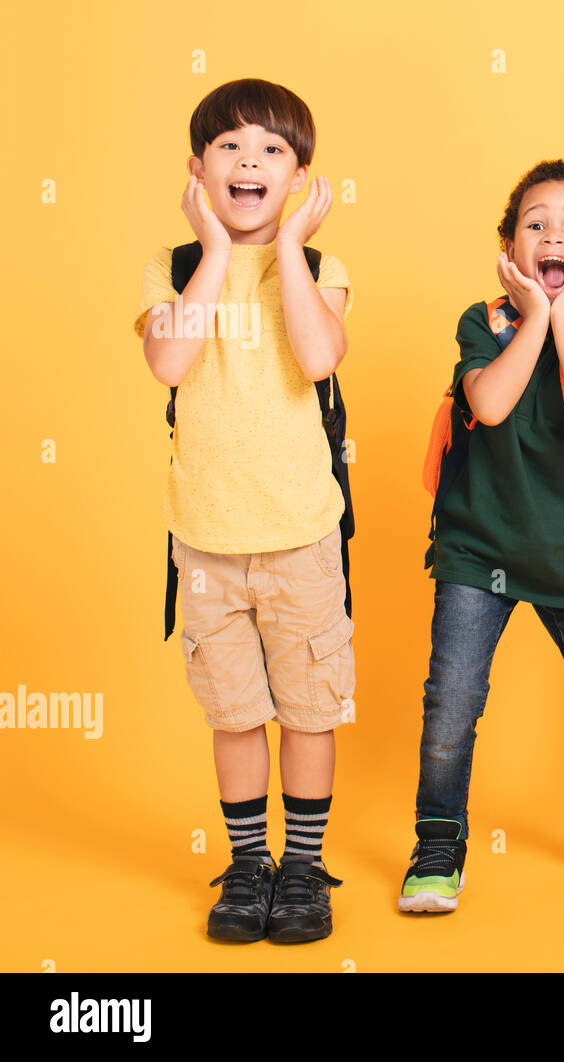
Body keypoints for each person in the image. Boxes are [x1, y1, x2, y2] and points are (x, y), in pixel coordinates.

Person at [399, 160, 564, 913]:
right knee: (453, 700)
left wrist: (561, 321)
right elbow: (487, 405)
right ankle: (438, 837)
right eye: (536, 224)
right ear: (510, 249)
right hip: (476, 547)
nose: (554, 234)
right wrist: (533, 319)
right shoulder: (480, 323)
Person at [135, 78, 355, 942]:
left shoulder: (322, 267)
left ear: (299, 175)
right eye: (229, 146)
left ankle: (302, 869)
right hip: (206, 541)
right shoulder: (178, 265)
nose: (250, 160)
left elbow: (316, 353)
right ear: (198, 170)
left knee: (307, 709)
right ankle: (248, 864)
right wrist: (216, 249)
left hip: (301, 536)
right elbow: (170, 362)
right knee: (233, 713)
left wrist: (291, 249)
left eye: (271, 149)